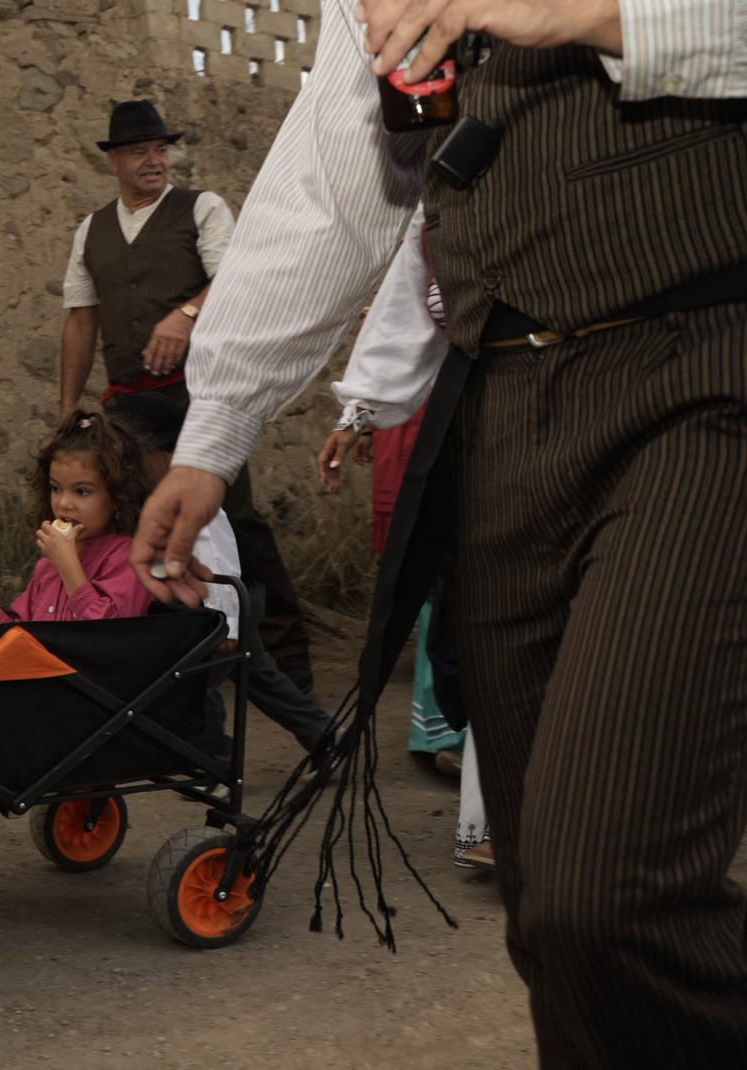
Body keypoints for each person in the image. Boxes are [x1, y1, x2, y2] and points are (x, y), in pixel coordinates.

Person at [132, 0, 746, 1061]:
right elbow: (335, 183)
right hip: (502, 410)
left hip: (707, 375)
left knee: (605, 897)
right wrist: (215, 427)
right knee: (547, 911)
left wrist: (591, 13)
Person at [61, 99, 314, 694]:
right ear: (115, 161)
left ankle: (286, 659)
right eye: (140, 151)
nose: (154, 161)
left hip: (202, 393)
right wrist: (68, 404)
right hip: (126, 403)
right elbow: (80, 319)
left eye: (160, 149)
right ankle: (166, 654)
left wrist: (186, 313)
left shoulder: (200, 207)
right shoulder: (90, 230)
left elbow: (237, 276)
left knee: (237, 519)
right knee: (129, 525)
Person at [315, 211, 491, 868]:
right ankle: (498, 816)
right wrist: (360, 412)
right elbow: (405, 313)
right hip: (474, 432)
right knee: (468, 628)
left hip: (589, 413)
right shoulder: (442, 200)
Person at [110, 391, 335, 761]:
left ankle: (214, 757)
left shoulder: (193, 497)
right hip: (219, 601)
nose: (127, 469)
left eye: (134, 460)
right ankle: (325, 736)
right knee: (260, 678)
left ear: (167, 456)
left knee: (198, 680)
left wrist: (228, 624)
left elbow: (221, 562)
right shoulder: (153, 494)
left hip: (235, 597)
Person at [0, 411, 154, 624]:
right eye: (56, 488)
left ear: (118, 496)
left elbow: (109, 633)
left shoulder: (128, 557)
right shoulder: (48, 566)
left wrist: (68, 567)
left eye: (82, 491)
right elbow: (19, 640)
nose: (63, 503)